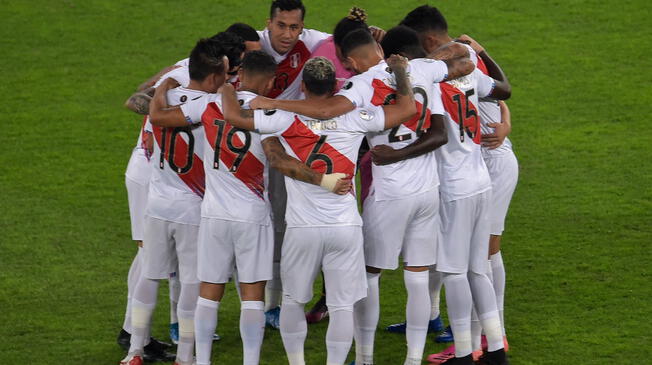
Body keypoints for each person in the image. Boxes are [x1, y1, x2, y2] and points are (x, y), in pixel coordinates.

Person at [149, 50, 352, 365]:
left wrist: (163, 86)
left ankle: (201, 361)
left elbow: (159, 118)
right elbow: (279, 157)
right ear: (271, 81)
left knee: (209, 292)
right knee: (252, 297)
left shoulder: (208, 104)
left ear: (240, 75)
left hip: (213, 213)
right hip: (253, 216)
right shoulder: (271, 115)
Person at [220, 55, 417, 365]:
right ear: (334, 86)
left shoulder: (282, 117)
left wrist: (229, 86)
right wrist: (401, 72)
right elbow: (408, 108)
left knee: (292, 301)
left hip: (302, 230)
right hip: (345, 228)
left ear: (304, 86)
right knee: (341, 307)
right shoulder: (356, 116)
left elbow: (233, 116)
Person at [119, 37, 234, 365]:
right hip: (191, 209)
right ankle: (185, 355)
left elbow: (150, 130)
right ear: (213, 78)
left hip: (156, 204)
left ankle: (134, 352)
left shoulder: (162, 99)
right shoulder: (212, 106)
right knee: (190, 283)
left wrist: (162, 85)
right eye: (225, 74)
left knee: (149, 276)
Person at [255, 0, 333, 328]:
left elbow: (350, 41)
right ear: (269, 24)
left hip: (296, 146)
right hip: (257, 146)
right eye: (281, 25)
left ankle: (280, 304)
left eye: (294, 27)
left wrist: (370, 30)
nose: (287, 34)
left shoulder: (313, 42)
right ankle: (272, 304)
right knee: (270, 223)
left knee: (287, 224)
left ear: (302, 27)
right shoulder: (252, 43)